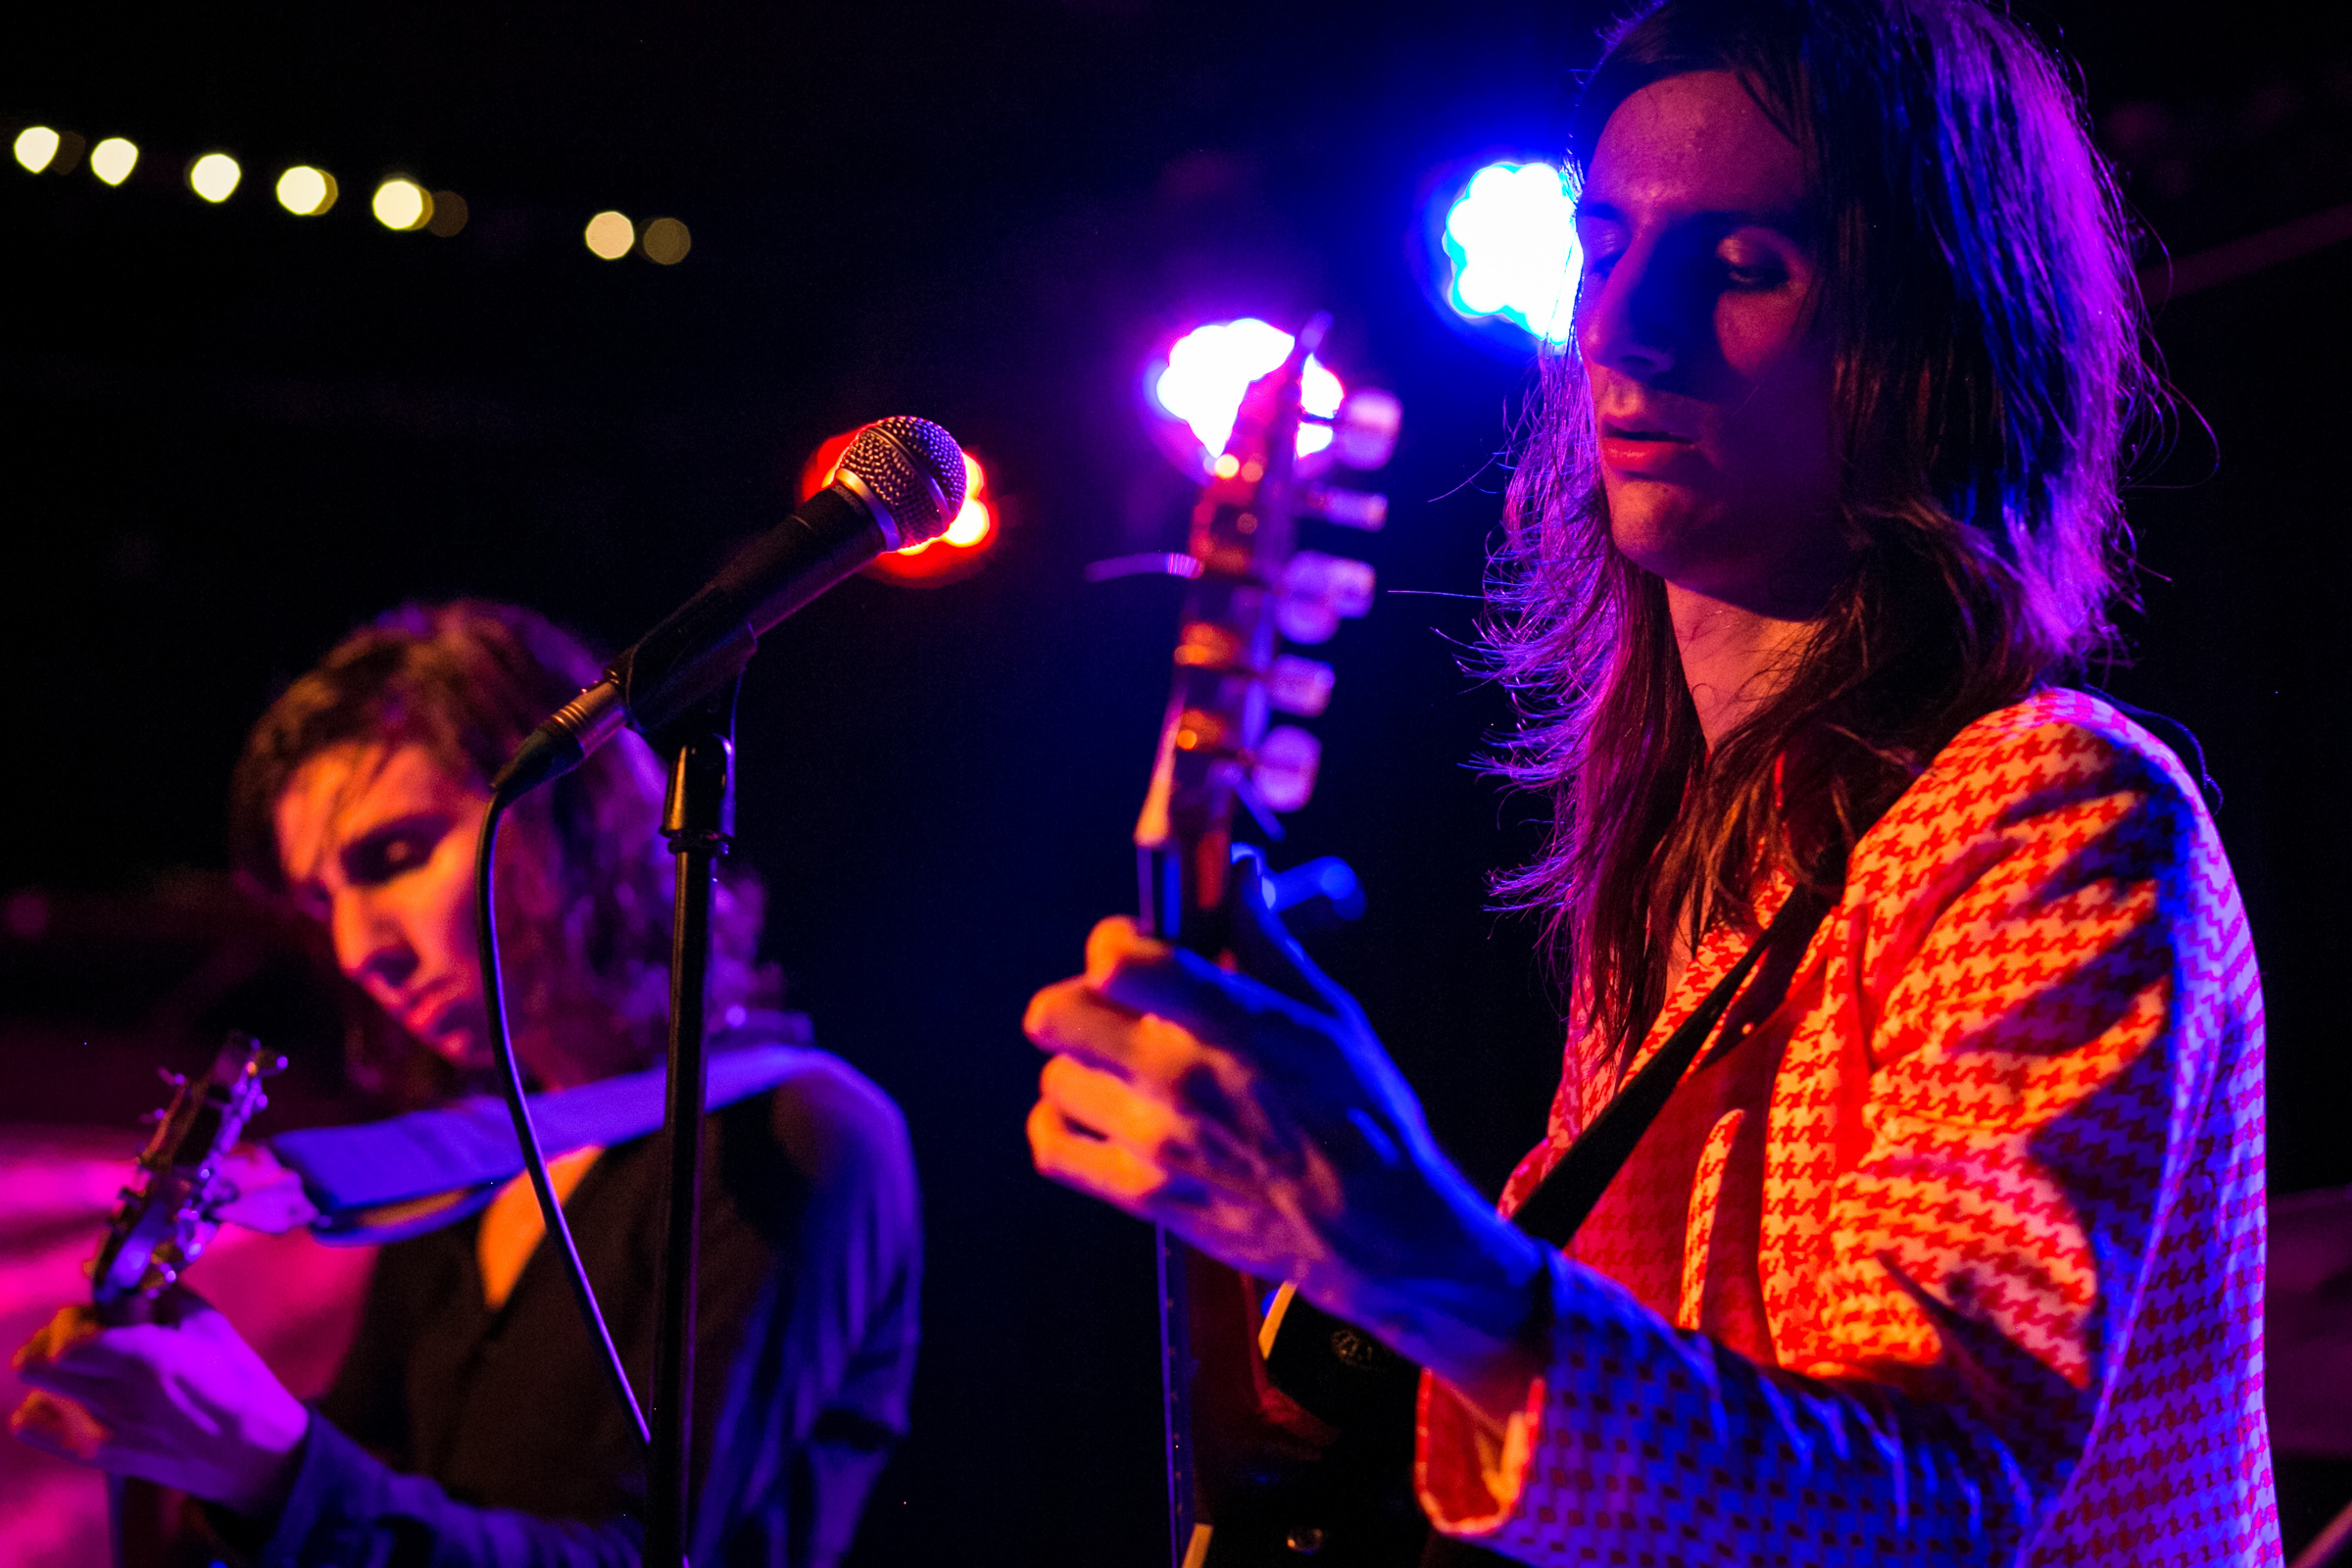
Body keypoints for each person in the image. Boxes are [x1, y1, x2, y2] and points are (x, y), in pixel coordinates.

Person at [1024, 1, 2277, 1563]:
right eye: (1605, 243)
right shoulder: (1703, 868)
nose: (1622, 327)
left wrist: (1402, 1240)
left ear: (1936, 348)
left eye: (1744, 267)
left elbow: (1936, 1504)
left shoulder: (2053, 817)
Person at [12, 600, 922, 1568]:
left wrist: (270, 1465)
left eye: (397, 855)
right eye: (324, 902)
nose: (360, 949)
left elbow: (639, 1557)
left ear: (569, 817)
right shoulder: (460, 1158)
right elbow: (381, 1477)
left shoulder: (800, 1135)